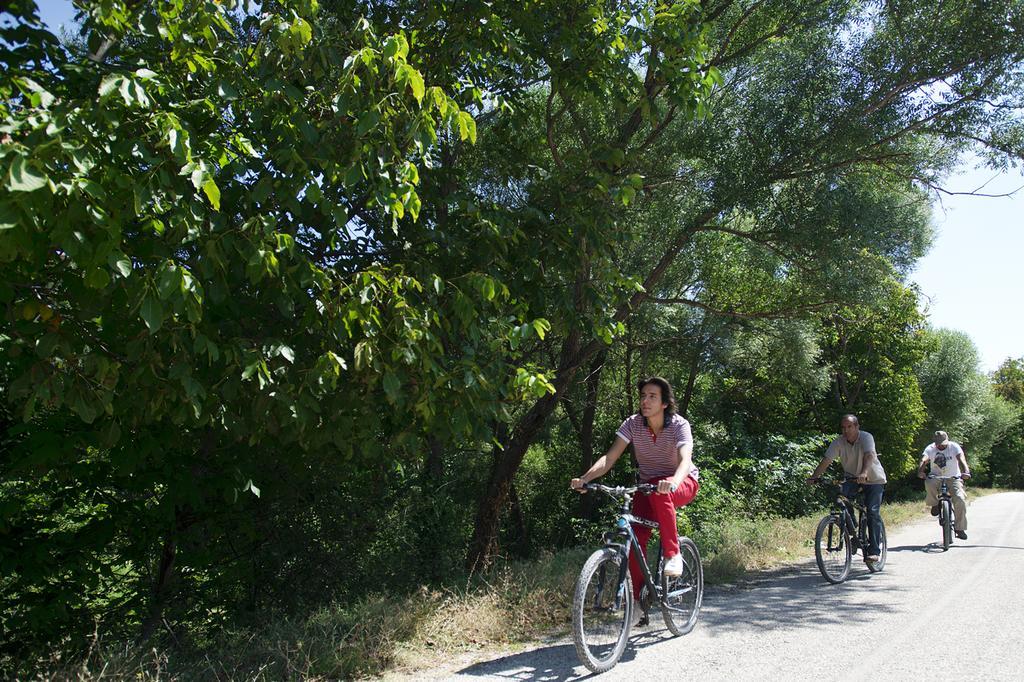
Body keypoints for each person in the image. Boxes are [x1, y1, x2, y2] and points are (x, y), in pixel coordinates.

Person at [570, 377, 699, 599]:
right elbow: (609, 458)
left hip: (682, 481)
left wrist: (674, 482)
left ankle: (673, 553)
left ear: (664, 403)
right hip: (649, 486)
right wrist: (585, 478)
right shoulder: (632, 424)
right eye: (643, 396)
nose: (645, 401)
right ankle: (640, 601)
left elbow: (685, 460)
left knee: (661, 493)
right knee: (635, 539)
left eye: (652, 397)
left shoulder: (679, 425)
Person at [806, 414, 887, 563]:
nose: (846, 430)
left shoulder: (866, 437)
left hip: (873, 479)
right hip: (851, 478)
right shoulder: (838, 442)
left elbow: (869, 455)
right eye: (843, 427)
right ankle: (853, 530)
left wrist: (864, 473)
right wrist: (814, 477)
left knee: (872, 512)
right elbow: (827, 460)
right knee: (840, 498)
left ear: (856, 427)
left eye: (849, 427)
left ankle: (874, 551)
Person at [917, 430, 971, 540]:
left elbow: (961, 459)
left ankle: (959, 528)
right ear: (935, 442)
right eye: (939, 444)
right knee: (928, 482)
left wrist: (966, 472)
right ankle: (935, 504)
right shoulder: (930, 448)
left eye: (943, 443)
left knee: (960, 499)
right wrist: (920, 471)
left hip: (953, 477)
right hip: (936, 477)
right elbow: (924, 460)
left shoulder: (954, 447)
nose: (941, 445)